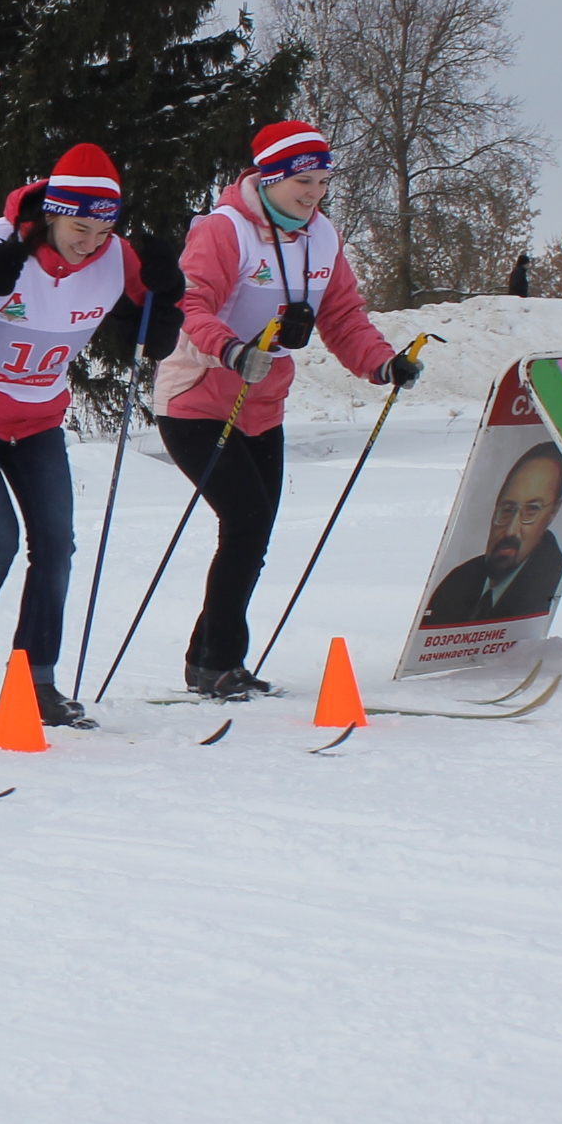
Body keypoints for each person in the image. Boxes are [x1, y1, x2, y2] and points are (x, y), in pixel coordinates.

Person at [0, 144, 175, 723]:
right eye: (80, 228)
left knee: (56, 546)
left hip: (38, 418)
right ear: (52, 212)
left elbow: (153, 343)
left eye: (105, 230)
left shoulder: (116, 257)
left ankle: (36, 682)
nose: (92, 243)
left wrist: (166, 294)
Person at [152, 118, 419, 697]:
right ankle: (218, 662)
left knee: (253, 533)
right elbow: (190, 308)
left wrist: (382, 363)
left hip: (263, 405)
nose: (314, 193)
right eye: (303, 181)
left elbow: (342, 315)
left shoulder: (323, 238)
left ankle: (208, 659)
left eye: (324, 181)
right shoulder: (225, 231)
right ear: (270, 177)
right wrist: (232, 350)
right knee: (246, 522)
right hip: (196, 400)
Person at [420, 444, 562, 627]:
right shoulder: (459, 580)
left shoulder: (559, 584)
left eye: (531, 510)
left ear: (553, 512)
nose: (511, 530)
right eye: (507, 509)